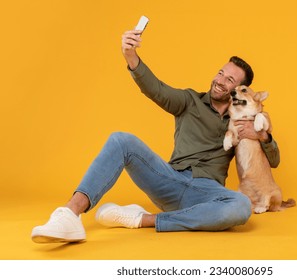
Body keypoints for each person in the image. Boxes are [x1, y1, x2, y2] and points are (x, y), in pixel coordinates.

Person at [31, 28, 280, 243]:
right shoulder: (189, 100)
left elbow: (274, 160)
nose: (220, 81)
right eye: (220, 73)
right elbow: (156, 89)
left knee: (240, 206)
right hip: (169, 180)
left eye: (229, 80)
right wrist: (131, 56)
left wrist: (263, 138)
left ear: (237, 89)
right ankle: (68, 215)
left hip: (206, 192)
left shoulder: (244, 120)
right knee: (121, 140)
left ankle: (141, 219)